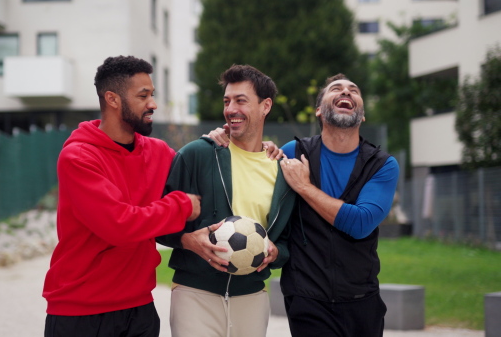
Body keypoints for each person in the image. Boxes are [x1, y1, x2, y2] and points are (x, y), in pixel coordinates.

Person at [42, 55, 202, 337]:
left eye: (152, 95)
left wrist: (241, 144)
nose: (152, 104)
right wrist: (182, 206)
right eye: (143, 96)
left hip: (139, 308)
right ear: (112, 99)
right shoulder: (78, 157)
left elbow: (199, 172)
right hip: (80, 311)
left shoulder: (159, 152)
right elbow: (119, 225)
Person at [156, 64, 296, 337]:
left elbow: (289, 240)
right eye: (227, 101)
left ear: (265, 106)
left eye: (241, 100)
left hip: (253, 298)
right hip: (195, 294)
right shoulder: (198, 154)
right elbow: (159, 223)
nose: (231, 109)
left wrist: (278, 253)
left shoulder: (282, 172)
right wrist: (186, 240)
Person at [279, 73, 400, 337]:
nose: (346, 92)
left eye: (354, 91)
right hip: (307, 298)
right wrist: (222, 136)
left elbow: (360, 223)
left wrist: (304, 187)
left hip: (362, 300)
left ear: (362, 114)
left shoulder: (382, 165)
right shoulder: (292, 152)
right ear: (319, 110)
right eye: (336, 89)